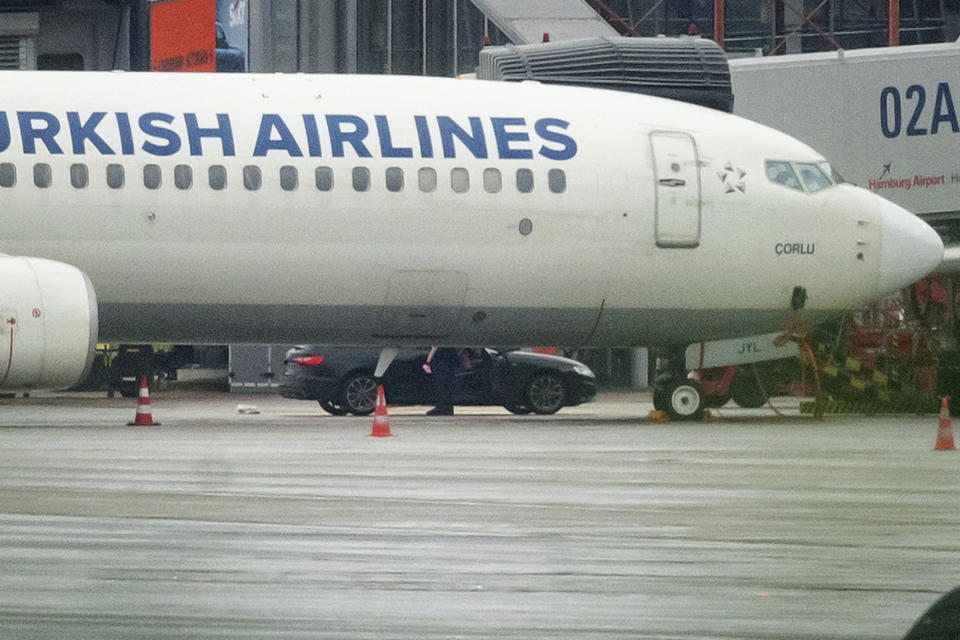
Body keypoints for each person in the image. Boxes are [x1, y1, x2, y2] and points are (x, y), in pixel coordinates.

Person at [423, 346, 459, 415]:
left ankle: (441, 407)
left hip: (441, 358)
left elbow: (435, 346)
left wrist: (428, 361)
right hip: (450, 356)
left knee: (440, 384)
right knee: (448, 384)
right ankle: (448, 407)